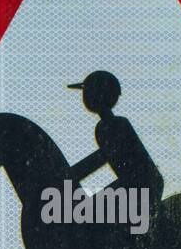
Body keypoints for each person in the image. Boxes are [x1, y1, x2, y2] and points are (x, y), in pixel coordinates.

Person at [68, 71, 164, 217]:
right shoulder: (112, 125)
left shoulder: (110, 126)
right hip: (137, 183)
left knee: (83, 213)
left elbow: (102, 157)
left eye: (87, 93)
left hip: (138, 184)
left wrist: (68, 176)